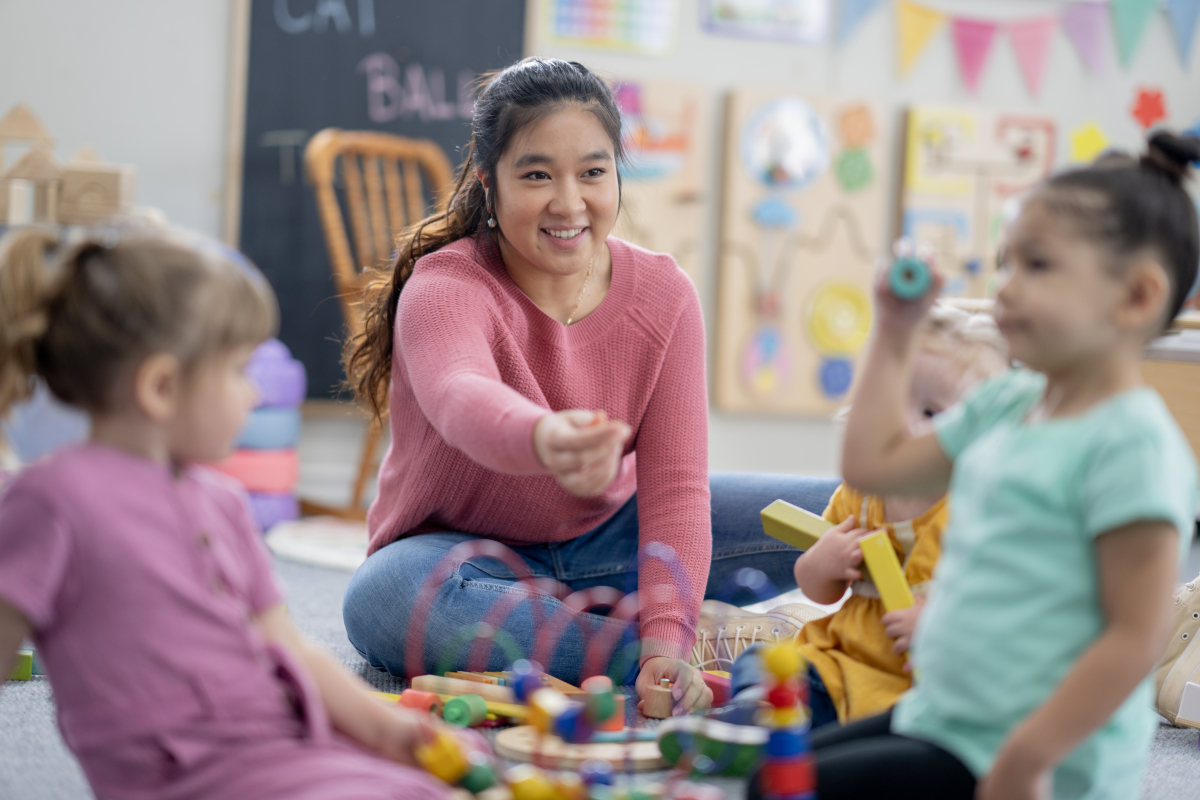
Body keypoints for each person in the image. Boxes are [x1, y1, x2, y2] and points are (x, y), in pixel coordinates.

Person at [340, 57, 838, 714]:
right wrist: (543, 437)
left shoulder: (664, 294)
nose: (569, 202)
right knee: (384, 599)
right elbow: (461, 396)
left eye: (593, 173)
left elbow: (676, 489)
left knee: (851, 509)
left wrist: (667, 622)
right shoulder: (445, 286)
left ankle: (668, 634)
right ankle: (703, 647)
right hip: (464, 557)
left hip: (612, 538)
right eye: (537, 175)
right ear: (489, 182)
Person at [807, 132, 1200, 800]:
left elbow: (1134, 639)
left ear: (1136, 296)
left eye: (1037, 265)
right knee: (771, 776)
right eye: (1004, 263)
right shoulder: (1009, 402)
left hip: (1032, 755)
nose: (1005, 288)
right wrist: (895, 331)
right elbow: (871, 463)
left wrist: (1028, 756)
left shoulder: (1135, 446)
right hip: (946, 715)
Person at [0, 229, 453, 800]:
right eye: (239, 370)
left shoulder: (221, 501)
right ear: (161, 387)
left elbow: (288, 646)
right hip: (197, 776)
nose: (253, 395)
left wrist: (388, 729)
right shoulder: (51, 501)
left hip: (284, 746)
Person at [784, 305, 1008, 730]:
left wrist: (942, 628)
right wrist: (823, 563)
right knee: (766, 665)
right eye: (890, 402)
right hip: (836, 663)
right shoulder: (862, 494)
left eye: (931, 412)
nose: (901, 423)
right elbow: (819, 591)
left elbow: (1003, 618)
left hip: (912, 690)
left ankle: (802, 734)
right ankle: (758, 718)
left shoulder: (981, 513)